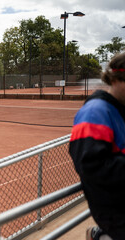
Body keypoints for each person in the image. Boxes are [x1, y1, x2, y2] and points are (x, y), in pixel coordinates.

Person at [69, 52, 125, 240]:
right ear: (117, 79)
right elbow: (92, 166)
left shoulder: (119, 111)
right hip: (115, 212)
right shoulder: (95, 112)